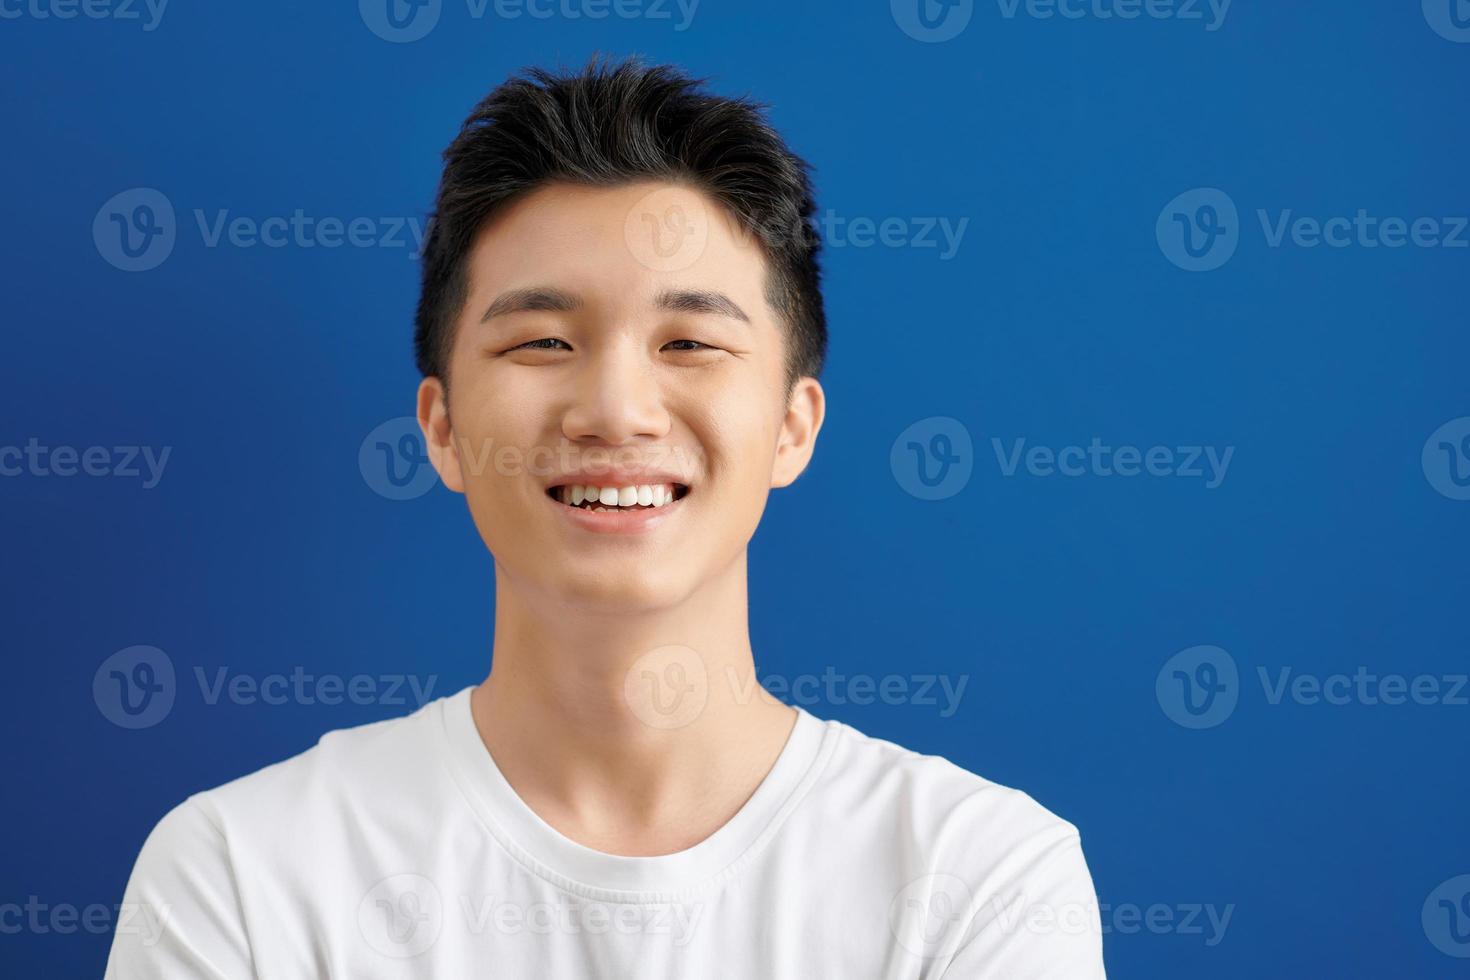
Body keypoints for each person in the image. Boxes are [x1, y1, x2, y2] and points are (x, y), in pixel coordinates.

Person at [105, 57, 1107, 978]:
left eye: (689, 342)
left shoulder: (978, 878)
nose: (616, 411)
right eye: (543, 341)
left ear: (794, 427)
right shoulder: (243, 875)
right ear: (442, 425)